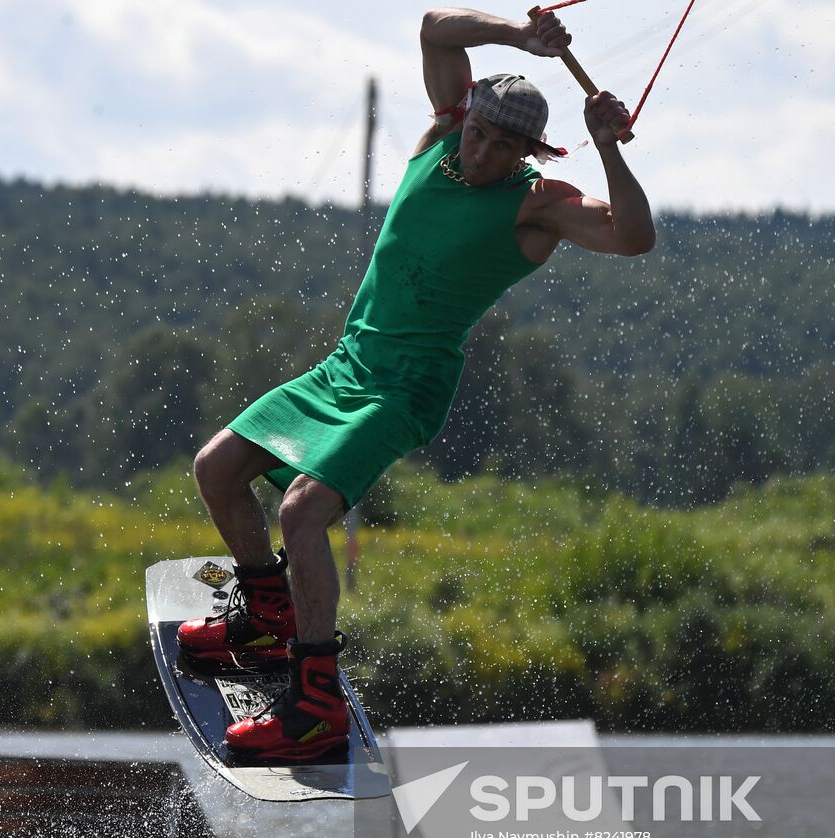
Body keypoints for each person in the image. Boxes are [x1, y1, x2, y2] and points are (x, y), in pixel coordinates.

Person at [178, 7, 656, 761]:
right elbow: (436, 25)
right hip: (345, 367)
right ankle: (267, 610)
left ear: (529, 149)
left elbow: (634, 236)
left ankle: (314, 706)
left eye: (504, 144)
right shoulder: (438, 141)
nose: (484, 151)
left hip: (405, 389)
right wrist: (521, 38)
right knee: (217, 470)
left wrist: (607, 149)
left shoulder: (535, 206)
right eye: (480, 133)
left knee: (302, 512)